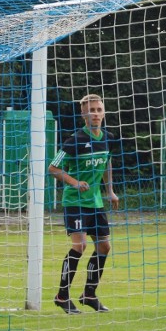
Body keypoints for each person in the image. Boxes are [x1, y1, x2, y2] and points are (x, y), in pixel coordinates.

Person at [49, 94, 119, 314]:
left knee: (105, 247)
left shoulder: (107, 137)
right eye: (91, 110)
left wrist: (110, 191)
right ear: (83, 114)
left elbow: (107, 164)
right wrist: (75, 182)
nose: (96, 114)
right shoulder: (74, 140)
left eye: (99, 110)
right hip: (75, 201)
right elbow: (53, 168)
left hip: (96, 202)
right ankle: (62, 296)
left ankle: (89, 294)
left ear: (103, 112)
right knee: (80, 246)